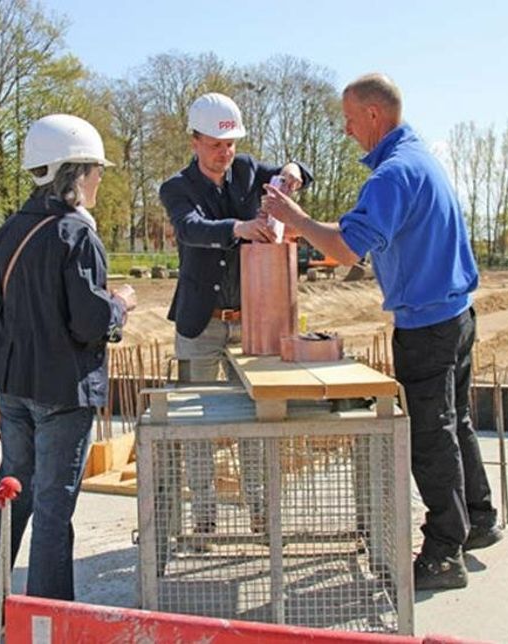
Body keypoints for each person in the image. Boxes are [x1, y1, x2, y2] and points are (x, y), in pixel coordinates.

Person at [262, 73, 501, 591]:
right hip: (457, 315)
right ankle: (478, 518)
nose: (347, 130)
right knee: (454, 421)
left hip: (427, 325)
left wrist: (293, 217)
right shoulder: (418, 158)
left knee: (430, 436)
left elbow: (347, 250)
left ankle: (444, 552)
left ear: (374, 115)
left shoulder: (392, 175)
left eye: (350, 120)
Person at [0, 114, 135, 633]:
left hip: (13, 384)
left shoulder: (9, 230)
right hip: (62, 390)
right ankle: (50, 625)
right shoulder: (77, 234)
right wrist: (119, 305)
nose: (100, 179)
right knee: (54, 511)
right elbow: (89, 323)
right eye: (96, 170)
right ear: (73, 173)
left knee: (12, 495)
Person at [159, 92, 312, 535]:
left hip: (251, 322)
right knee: (198, 422)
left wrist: (293, 170)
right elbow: (191, 229)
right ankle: (204, 519)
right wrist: (240, 228)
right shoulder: (176, 188)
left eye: (230, 144)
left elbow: (298, 171)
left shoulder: (247, 170)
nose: (224, 153)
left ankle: (261, 515)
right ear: (194, 141)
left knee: (254, 418)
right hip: (200, 323)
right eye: (215, 145)